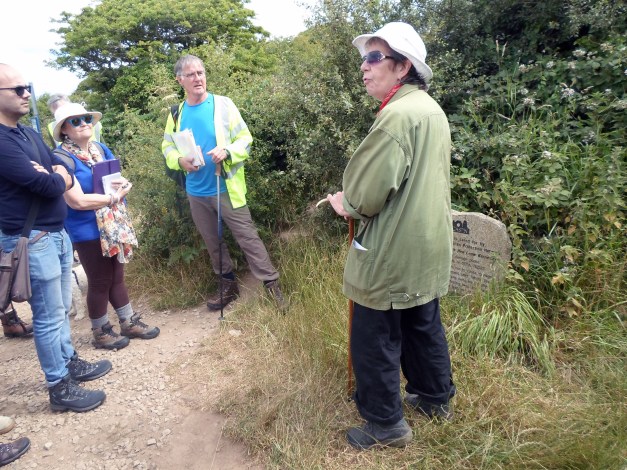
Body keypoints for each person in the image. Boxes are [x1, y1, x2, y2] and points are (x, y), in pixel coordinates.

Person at [326, 22, 456, 450]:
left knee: (374, 336)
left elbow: (365, 196)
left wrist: (346, 203)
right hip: (428, 243)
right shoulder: (429, 108)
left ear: (402, 68)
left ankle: (386, 426)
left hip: (393, 248)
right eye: (364, 58)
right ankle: (435, 398)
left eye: (373, 58)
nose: (364, 67)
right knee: (422, 323)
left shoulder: (395, 118)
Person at [0, 63, 110, 413]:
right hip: (32, 239)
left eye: (26, 87)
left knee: (60, 309)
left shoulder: (28, 135)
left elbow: (56, 170)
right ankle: (59, 386)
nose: (27, 94)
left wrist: (54, 173)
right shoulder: (1, 143)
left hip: (56, 234)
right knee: (47, 316)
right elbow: (49, 182)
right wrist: (55, 175)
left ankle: (69, 362)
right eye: (18, 90)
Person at [161, 54, 286, 311]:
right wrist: (178, 160)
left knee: (248, 238)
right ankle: (228, 287)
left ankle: (273, 287)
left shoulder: (223, 104)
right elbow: (167, 146)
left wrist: (227, 151)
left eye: (201, 73)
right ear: (179, 80)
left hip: (227, 188)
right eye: (191, 74)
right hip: (196, 191)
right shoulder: (176, 113)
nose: (198, 78)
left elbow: (245, 138)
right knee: (212, 242)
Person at [52, 102, 160, 350]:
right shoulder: (61, 158)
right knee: (99, 280)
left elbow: (116, 177)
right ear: (64, 130)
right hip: (86, 228)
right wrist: (113, 197)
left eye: (87, 118)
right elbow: (75, 201)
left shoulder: (100, 148)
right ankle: (100, 331)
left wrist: (123, 186)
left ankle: (127, 321)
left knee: (117, 276)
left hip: (112, 225)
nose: (84, 123)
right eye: (76, 120)